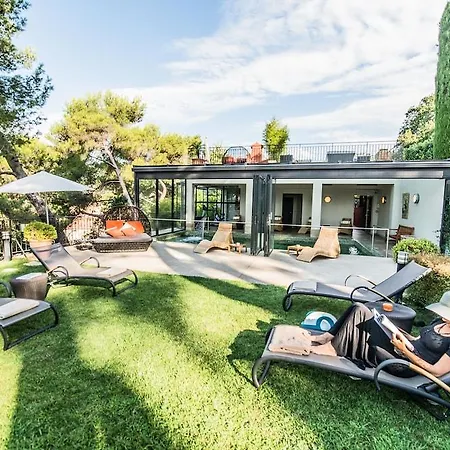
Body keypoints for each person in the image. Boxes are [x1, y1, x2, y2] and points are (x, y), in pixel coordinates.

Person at [309, 294, 450, 378]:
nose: (442, 316)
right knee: (359, 308)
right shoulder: (440, 322)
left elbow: (437, 372)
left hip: (405, 365)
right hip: (403, 349)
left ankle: (332, 349)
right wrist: (403, 337)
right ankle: (327, 336)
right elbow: (420, 341)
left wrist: (405, 351)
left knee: (369, 332)